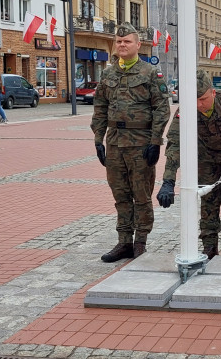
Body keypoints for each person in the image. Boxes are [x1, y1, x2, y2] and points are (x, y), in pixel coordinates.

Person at [91, 23, 170, 263]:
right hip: (115, 143)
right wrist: (98, 139)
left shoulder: (149, 73)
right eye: (119, 41)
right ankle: (124, 242)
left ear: (138, 45)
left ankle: (140, 243)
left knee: (141, 196)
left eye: (127, 41)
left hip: (140, 143)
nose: (122, 45)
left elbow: (161, 108)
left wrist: (156, 141)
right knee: (121, 195)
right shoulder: (108, 73)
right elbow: (100, 107)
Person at [156, 71, 221, 258]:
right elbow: (175, 143)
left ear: (213, 93)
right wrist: (168, 181)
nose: (199, 105)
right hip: (205, 159)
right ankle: (209, 248)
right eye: (194, 100)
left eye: (203, 99)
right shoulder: (186, 110)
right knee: (208, 204)